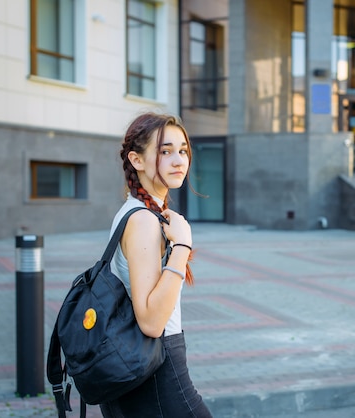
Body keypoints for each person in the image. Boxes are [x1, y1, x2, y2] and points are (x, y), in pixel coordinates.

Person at [99, 112, 213, 417]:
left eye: (183, 151)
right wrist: (183, 246)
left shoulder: (138, 212)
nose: (179, 161)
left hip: (140, 369)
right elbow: (151, 322)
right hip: (158, 371)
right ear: (137, 160)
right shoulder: (143, 221)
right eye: (165, 152)